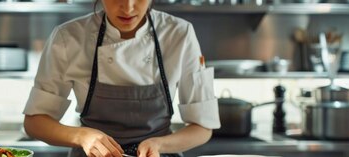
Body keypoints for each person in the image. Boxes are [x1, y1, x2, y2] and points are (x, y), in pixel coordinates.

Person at [22, 0, 220, 156]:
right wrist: (81, 136)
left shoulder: (179, 34)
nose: (128, 7)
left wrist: (159, 144)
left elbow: (203, 127)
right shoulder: (68, 37)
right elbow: (35, 122)